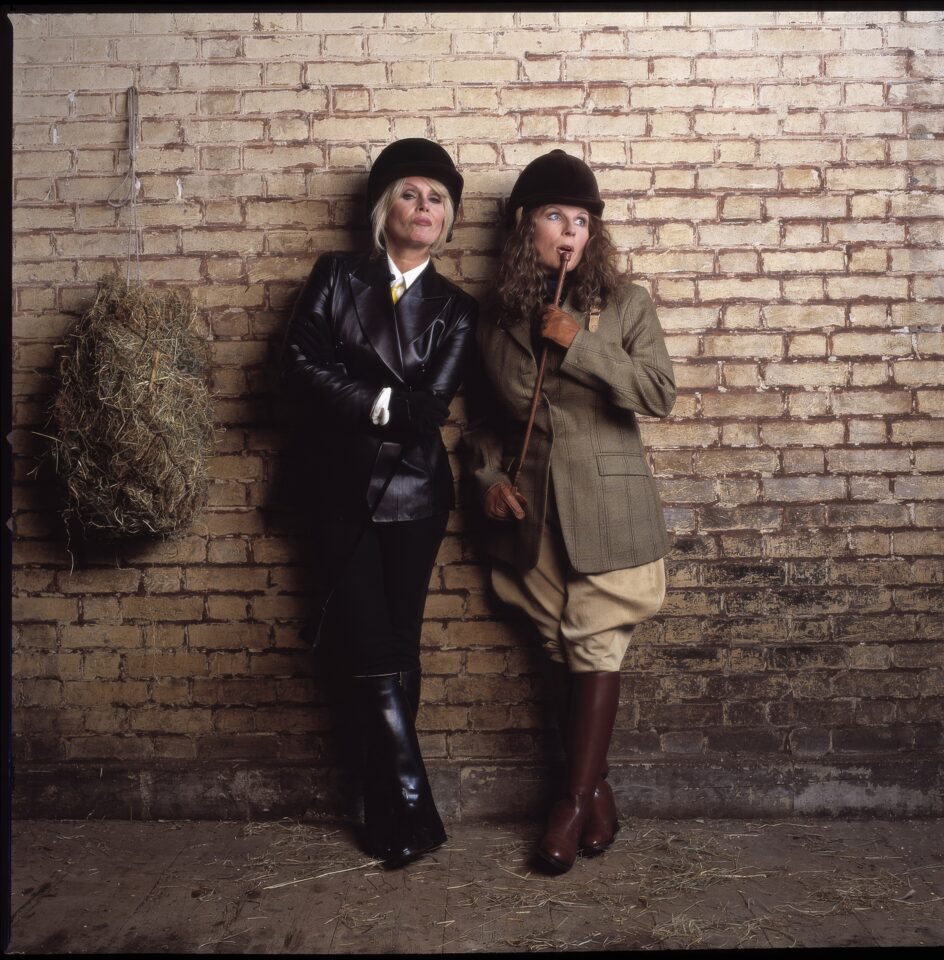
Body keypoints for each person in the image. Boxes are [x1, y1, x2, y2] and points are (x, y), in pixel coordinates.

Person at [463, 149, 675, 873]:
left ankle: (571, 804)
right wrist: (488, 476)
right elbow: (482, 423)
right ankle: (599, 795)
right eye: (555, 217)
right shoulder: (494, 319)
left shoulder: (626, 303)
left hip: (608, 511)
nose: (569, 232)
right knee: (560, 651)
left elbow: (658, 393)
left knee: (597, 646)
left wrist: (580, 345)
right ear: (526, 226)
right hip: (535, 519)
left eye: (581, 221)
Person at [281, 139, 476, 868]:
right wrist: (383, 402)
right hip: (336, 487)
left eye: (437, 199)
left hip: (415, 493)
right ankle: (411, 800)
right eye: (410, 193)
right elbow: (297, 369)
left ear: (447, 220)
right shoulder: (336, 276)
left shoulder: (457, 308)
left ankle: (383, 811)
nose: (424, 208)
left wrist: (357, 392)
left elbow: (429, 412)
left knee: (397, 644)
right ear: (383, 208)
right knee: (368, 645)